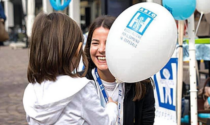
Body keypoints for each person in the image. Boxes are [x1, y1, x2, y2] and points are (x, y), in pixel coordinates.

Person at [23, 12, 118, 125]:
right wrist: (112, 107)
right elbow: (104, 122)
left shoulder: (31, 89)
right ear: (78, 50)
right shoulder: (81, 89)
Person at [84, 15, 155, 125]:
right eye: (95, 43)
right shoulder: (80, 84)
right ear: (89, 47)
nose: (101, 49)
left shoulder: (141, 84)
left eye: (108, 43)